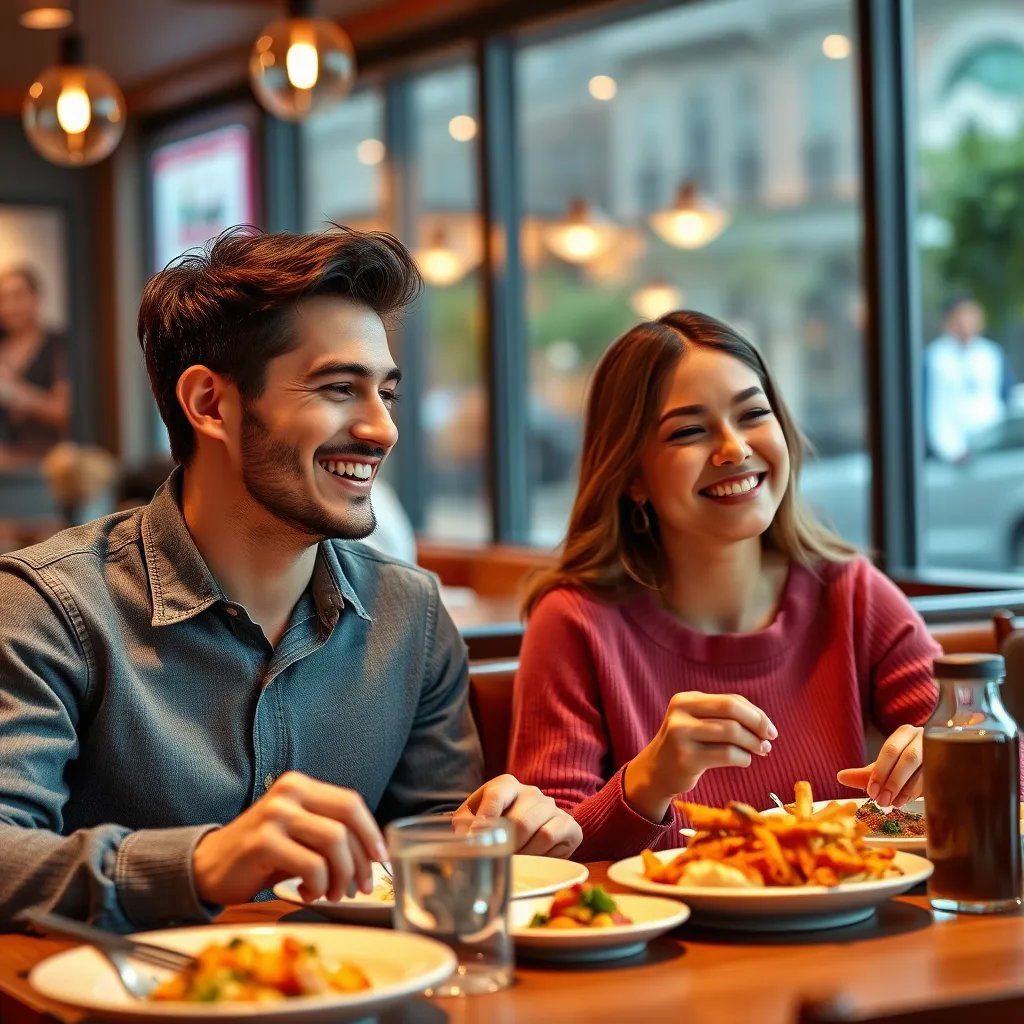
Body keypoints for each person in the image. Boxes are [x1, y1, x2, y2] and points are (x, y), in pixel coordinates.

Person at [0, 226, 580, 932]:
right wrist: (202, 864)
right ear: (210, 403)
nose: (382, 430)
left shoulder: (411, 613)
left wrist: (494, 835)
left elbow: (432, 853)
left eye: (386, 395)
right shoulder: (52, 606)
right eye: (339, 388)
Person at [508, 311, 940, 861]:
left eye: (753, 414)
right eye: (689, 431)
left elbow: (1002, 764)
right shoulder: (575, 620)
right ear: (631, 475)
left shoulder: (852, 593)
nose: (734, 448)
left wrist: (951, 752)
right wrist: (648, 780)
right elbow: (544, 851)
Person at [923, 294, 1014, 463]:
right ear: (947, 321)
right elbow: (931, 410)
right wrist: (951, 449)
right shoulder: (934, 358)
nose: (966, 323)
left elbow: (1005, 397)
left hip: (993, 447)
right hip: (949, 454)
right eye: (960, 317)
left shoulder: (991, 354)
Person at [0, 265, 71, 457]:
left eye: (17, 296)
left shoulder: (57, 346)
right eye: (3, 299)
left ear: (35, 298)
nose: (9, 307)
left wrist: (16, 393)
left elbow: (65, 411)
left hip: (46, 463)